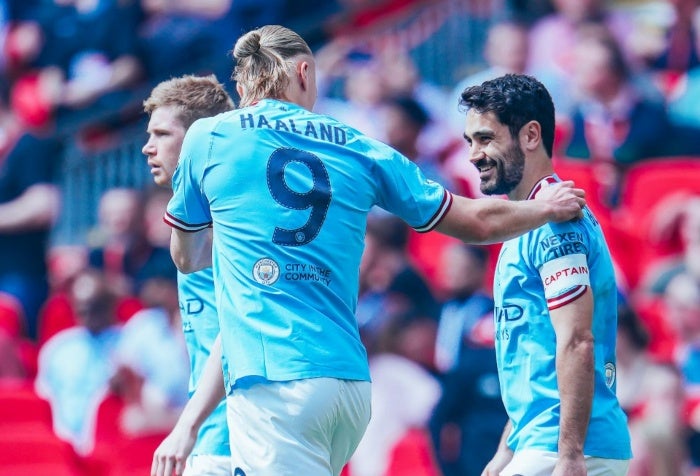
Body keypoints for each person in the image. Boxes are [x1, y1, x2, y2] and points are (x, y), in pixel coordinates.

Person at [154, 25, 585, 476]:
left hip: (276, 379)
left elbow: (186, 256)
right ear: (304, 73)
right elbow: (475, 220)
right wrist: (543, 208)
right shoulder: (359, 145)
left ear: (241, 87)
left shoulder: (209, 136)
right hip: (350, 386)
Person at [460, 73, 631, 475]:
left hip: (565, 450)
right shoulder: (529, 221)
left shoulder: (556, 223)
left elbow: (577, 340)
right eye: (470, 142)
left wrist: (570, 456)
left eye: (485, 138)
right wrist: (505, 451)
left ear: (531, 135)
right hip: (540, 443)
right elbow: (534, 361)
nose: (473, 154)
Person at [141, 74, 235, 475]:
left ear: (198, 139)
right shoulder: (194, 219)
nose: (148, 147)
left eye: (162, 134)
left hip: (234, 437)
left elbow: (237, 328)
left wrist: (186, 427)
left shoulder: (228, 221)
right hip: (217, 434)